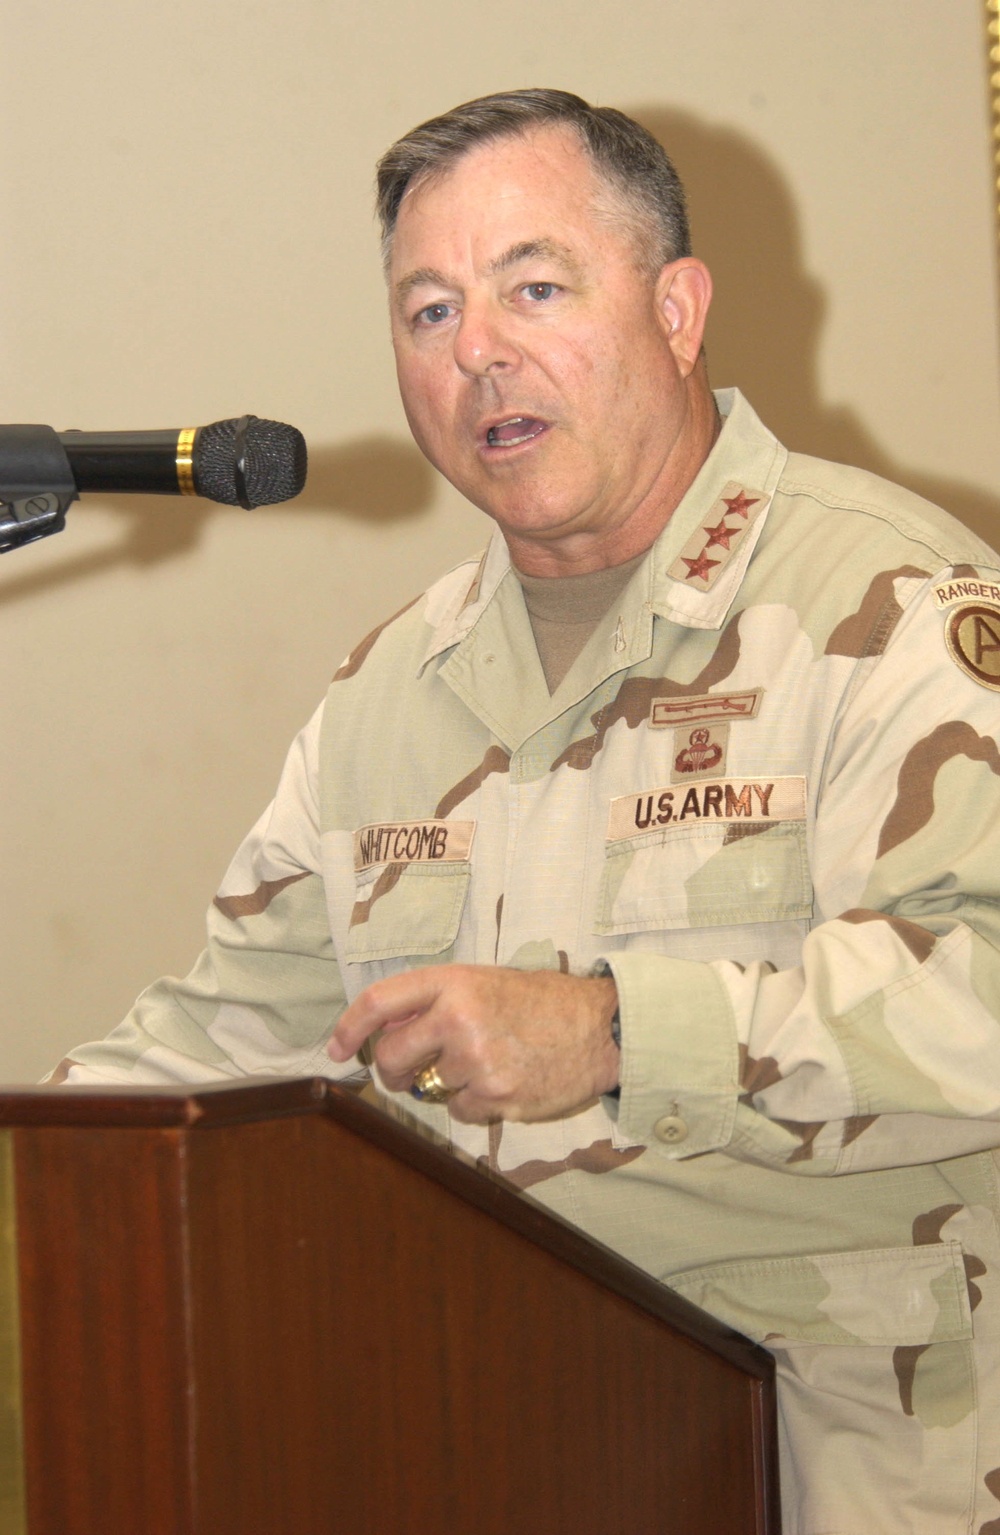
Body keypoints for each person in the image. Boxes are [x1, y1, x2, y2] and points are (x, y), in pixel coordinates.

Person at [51, 89, 1000, 1532]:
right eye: (427, 313)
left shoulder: (893, 608)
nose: (477, 350)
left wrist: (618, 1031)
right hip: (494, 1425)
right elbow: (222, 1038)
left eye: (533, 288)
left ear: (678, 309)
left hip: (851, 1445)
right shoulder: (390, 691)